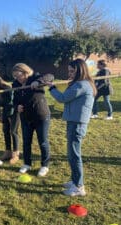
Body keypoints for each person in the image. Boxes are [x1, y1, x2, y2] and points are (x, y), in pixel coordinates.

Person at [47, 58, 97, 196]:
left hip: (77, 123)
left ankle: (79, 187)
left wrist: (51, 87)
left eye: (72, 71)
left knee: (74, 155)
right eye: (68, 71)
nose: (69, 73)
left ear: (80, 71)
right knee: (71, 154)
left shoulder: (81, 85)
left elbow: (62, 98)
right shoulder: (79, 84)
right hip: (74, 121)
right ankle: (75, 180)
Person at [12, 63, 51, 177]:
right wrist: (16, 107)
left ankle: (45, 165)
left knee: (43, 141)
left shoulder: (36, 77)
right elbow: (14, 101)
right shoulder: (15, 84)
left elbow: (50, 76)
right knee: (26, 142)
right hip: (26, 117)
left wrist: (38, 82)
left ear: (25, 72)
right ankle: (27, 163)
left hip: (41, 116)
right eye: (15, 76)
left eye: (19, 75)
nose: (17, 78)